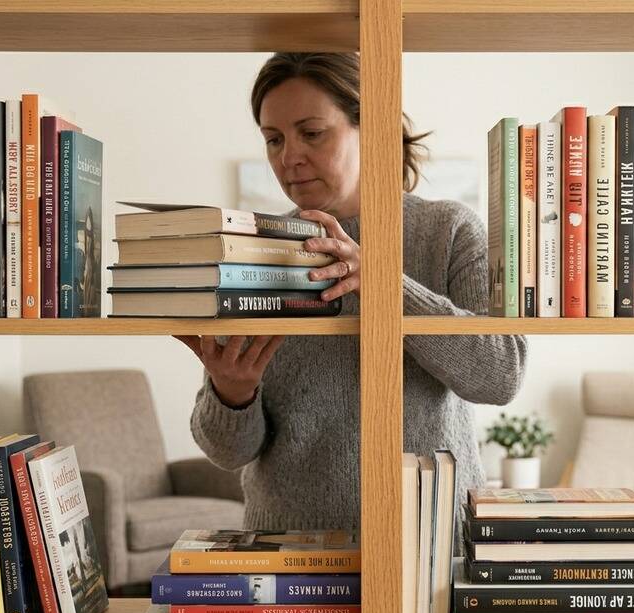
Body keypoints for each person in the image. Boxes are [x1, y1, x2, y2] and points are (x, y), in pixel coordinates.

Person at [176, 52, 527, 531]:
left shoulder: (449, 230)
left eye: (312, 133)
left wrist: (385, 283)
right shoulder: (252, 252)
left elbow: (501, 375)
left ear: (372, 127)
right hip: (290, 559)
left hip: (429, 542)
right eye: (273, 139)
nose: (288, 156)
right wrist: (232, 394)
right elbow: (228, 453)